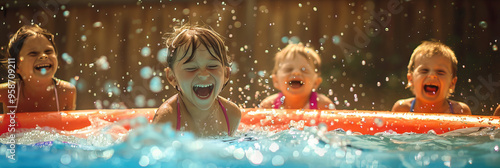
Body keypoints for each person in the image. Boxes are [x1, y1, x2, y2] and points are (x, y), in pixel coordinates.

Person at [152, 24, 241, 137]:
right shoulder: (168, 118)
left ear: (226, 74)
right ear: (172, 77)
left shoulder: (231, 114)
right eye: (191, 68)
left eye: (212, 66)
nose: (203, 74)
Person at [0, 25, 76, 113]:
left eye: (48, 51)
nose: (43, 56)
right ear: (17, 66)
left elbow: (70, 125)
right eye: (33, 53)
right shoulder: (9, 92)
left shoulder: (65, 92)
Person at [392, 41, 471, 114]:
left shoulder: (460, 111)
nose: (432, 75)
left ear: (452, 83)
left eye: (440, 72)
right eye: (424, 70)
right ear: (411, 79)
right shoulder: (402, 110)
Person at [259, 43, 334, 110]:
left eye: (304, 70)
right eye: (288, 69)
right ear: (276, 81)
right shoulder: (269, 105)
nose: (296, 72)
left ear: (316, 83)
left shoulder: (323, 105)